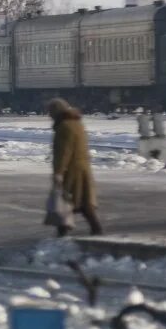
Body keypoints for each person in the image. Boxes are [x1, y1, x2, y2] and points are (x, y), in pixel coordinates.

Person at [47, 98, 103, 237]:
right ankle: (94, 229)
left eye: (50, 112)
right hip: (82, 168)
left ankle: (63, 233)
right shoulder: (77, 123)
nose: (49, 116)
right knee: (83, 202)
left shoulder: (64, 126)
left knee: (66, 200)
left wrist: (59, 172)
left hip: (72, 170)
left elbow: (64, 152)